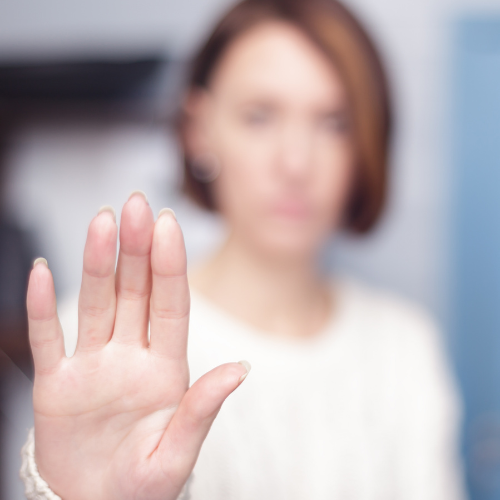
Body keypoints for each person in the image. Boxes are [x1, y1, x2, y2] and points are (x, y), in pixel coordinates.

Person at [20, 0, 466, 498]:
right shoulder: (100, 346)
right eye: (259, 117)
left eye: (334, 122)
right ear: (198, 130)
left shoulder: (406, 349)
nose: (296, 163)